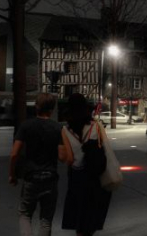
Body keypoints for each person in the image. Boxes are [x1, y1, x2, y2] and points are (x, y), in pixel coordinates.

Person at [9, 93, 72, 236]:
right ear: (52, 109)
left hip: (31, 177)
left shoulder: (26, 126)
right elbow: (63, 157)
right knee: (46, 220)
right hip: (50, 178)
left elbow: (14, 154)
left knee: (25, 214)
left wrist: (12, 175)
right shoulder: (57, 128)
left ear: (36, 106)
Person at [62, 93, 112, 235]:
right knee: (91, 215)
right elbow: (105, 148)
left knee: (78, 217)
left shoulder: (65, 131)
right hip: (94, 176)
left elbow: (69, 159)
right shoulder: (96, 126)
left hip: (76, 177)